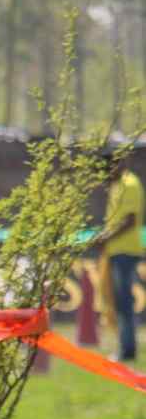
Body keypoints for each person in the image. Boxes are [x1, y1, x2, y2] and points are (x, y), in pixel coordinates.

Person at [91, 154, 144, 363]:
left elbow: (129, 221)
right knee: (118, 303)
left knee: (124, 303)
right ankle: (125, 347)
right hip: (114, 251)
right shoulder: (115, 185)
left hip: (126, 252)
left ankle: (127, 350)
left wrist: (105, 237)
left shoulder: (130, 184)